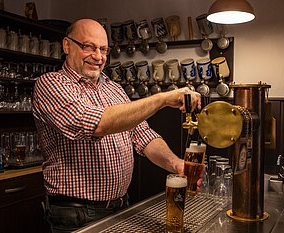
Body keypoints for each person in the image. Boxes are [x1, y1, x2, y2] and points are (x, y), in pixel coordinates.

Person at [32, 18, 202, 232]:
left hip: (120, 205)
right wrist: (161, 99)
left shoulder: (113, 88)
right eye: (89, 47)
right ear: (67, 45)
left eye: (103, 49)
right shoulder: (50, 84)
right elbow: (97, 124)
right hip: (75, 213)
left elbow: (143, 136)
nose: (98, 56)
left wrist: (176, 164)